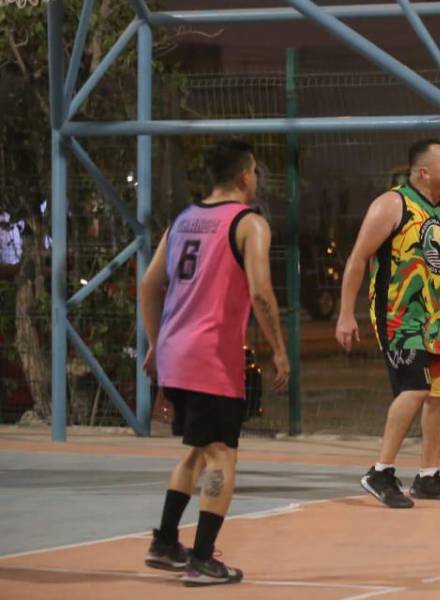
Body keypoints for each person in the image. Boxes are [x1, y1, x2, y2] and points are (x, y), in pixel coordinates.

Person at [140, 140, 289, 586]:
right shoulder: (249, 223)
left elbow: (149, 284)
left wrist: (156, 343)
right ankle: (202, 559)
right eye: (255, 172)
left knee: (197, 449)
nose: (256, 179)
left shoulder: (183, 220)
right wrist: (279, 349)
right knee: (222, 454)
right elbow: (261, 292)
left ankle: (166, 542)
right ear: (244, 175)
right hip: (210, 359)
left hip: (175, 354)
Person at [336, 139, 440, 508]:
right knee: (415, 389)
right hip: (399, 315)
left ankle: (428, 476)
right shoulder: (391, 205)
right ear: (424, 171)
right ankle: (380, 472)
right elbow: (358, 258)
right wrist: (346, 313)